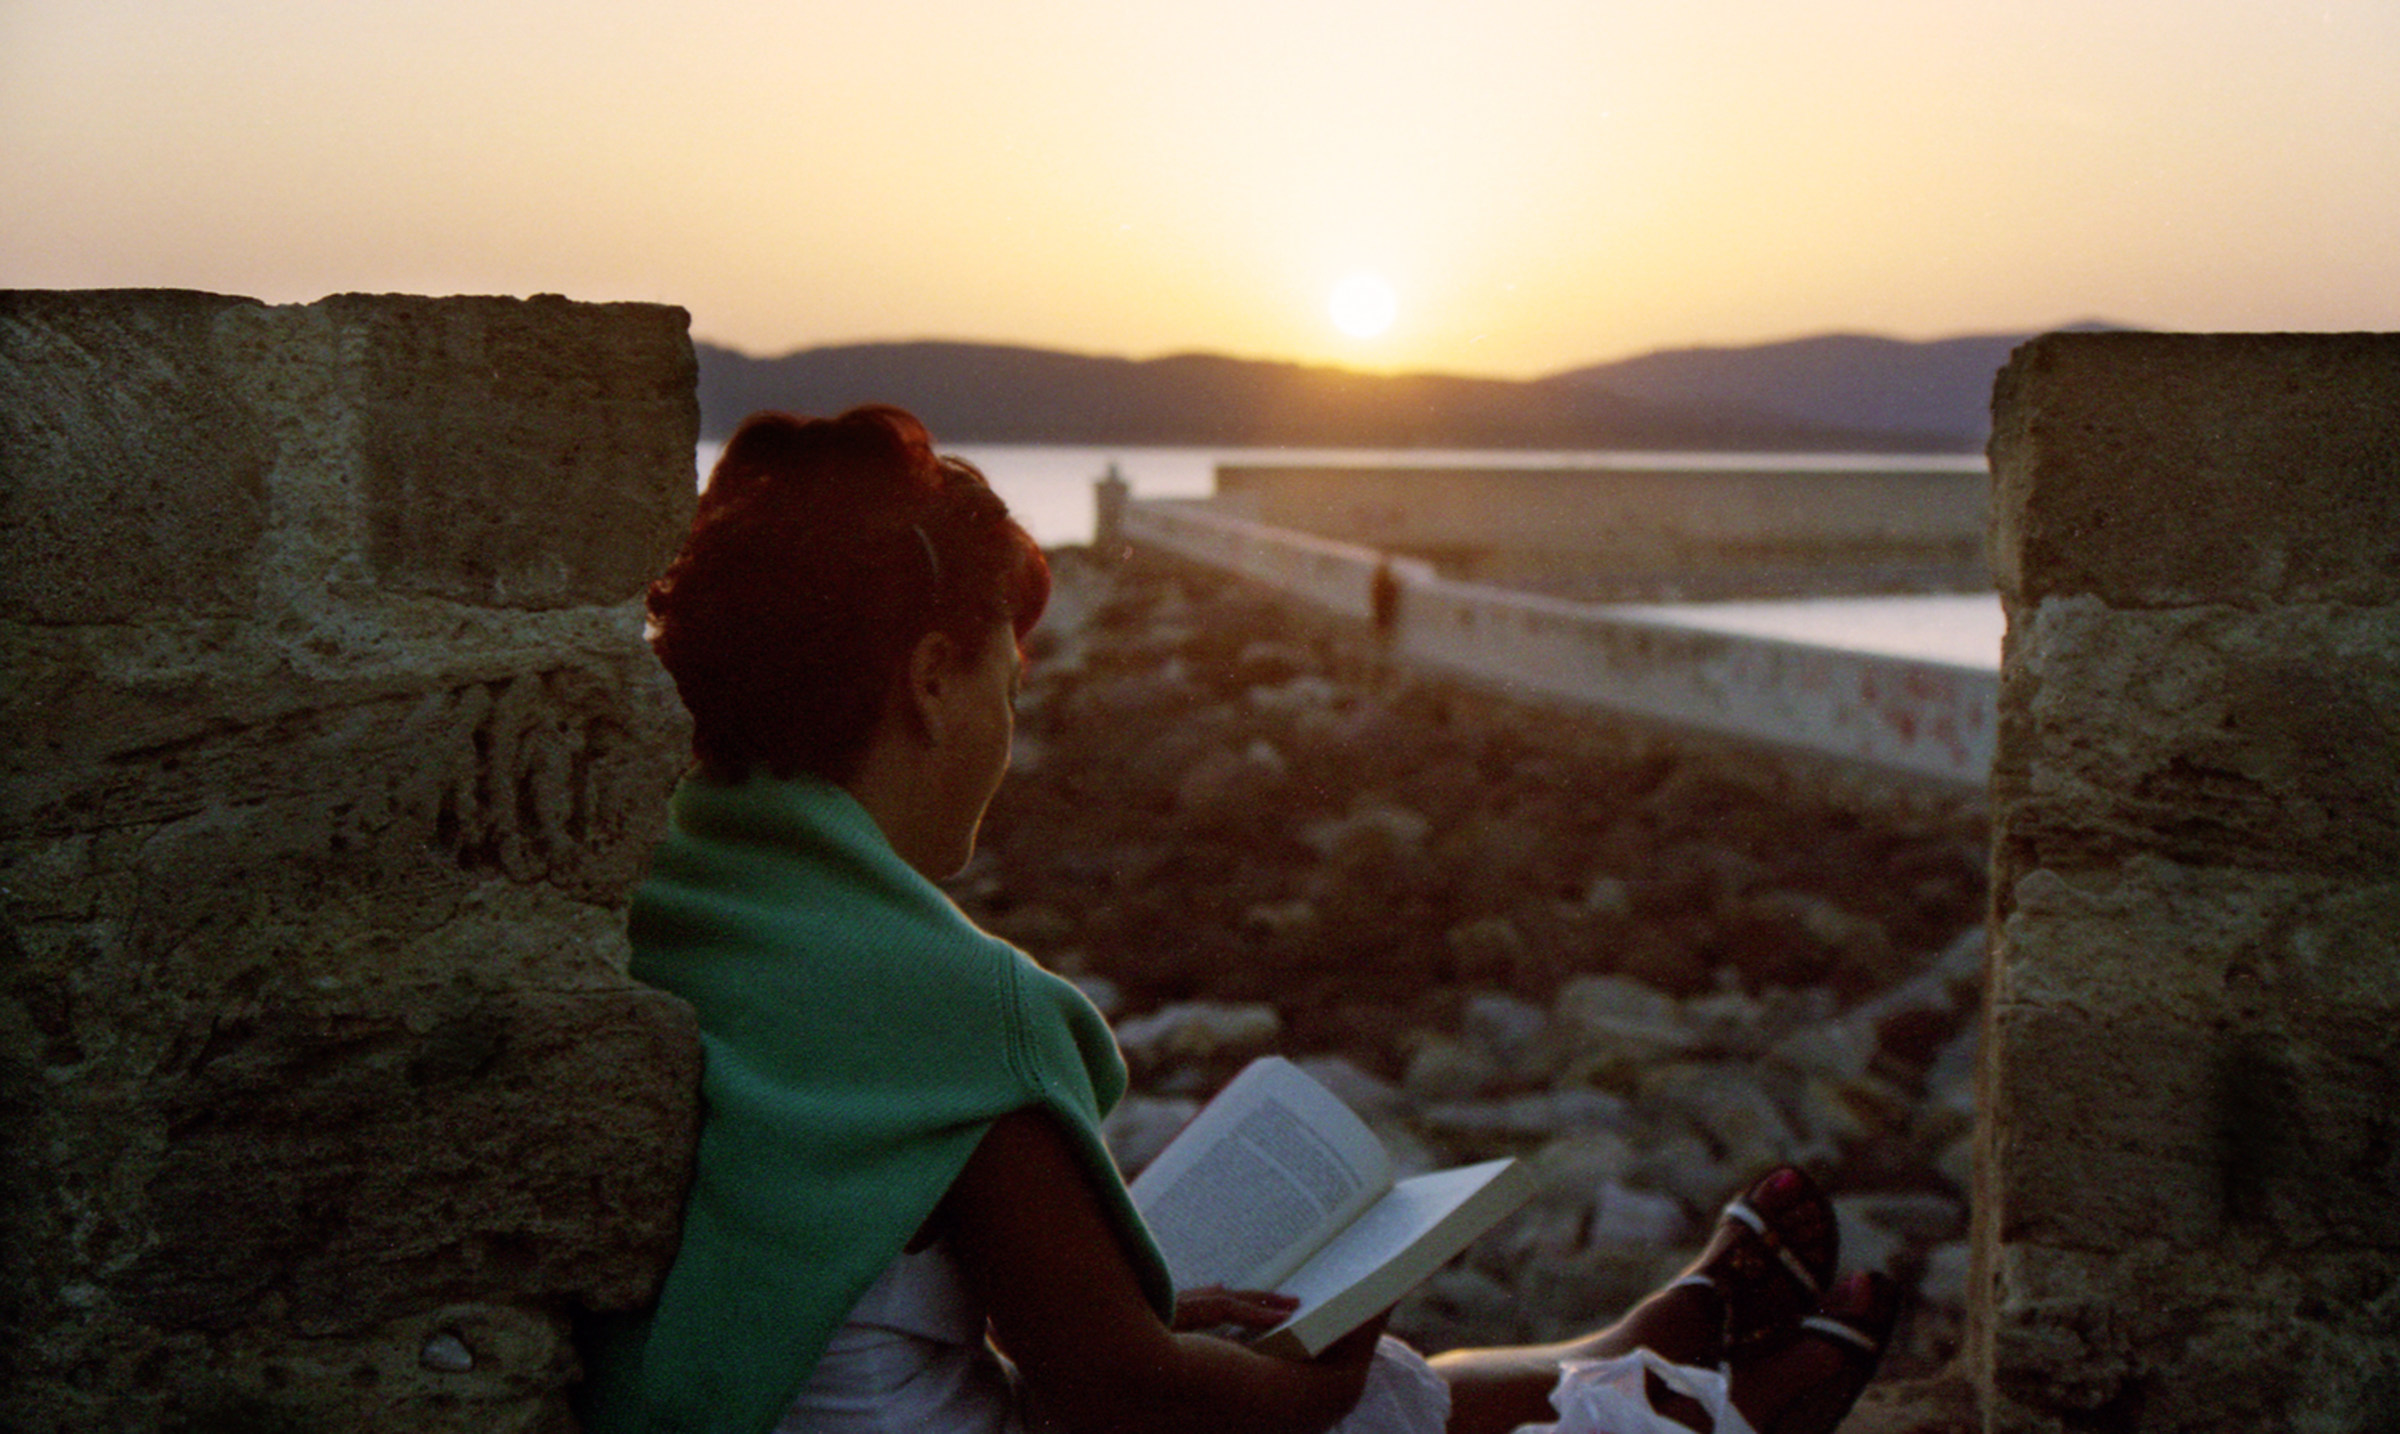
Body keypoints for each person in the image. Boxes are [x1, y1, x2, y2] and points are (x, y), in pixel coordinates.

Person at [578, 406, 1900, 1434]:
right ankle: (1694, 1395)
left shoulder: (659, 907)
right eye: (1007, 680)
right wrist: (1307, 1376)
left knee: (1350, 1378)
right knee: (1352, 1399)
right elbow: (1131, 1398)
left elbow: (852, 1317)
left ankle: (1640, 1347)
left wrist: (1139, 1313)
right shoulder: (949, 1010)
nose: (1008, 731)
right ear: (932, 679)